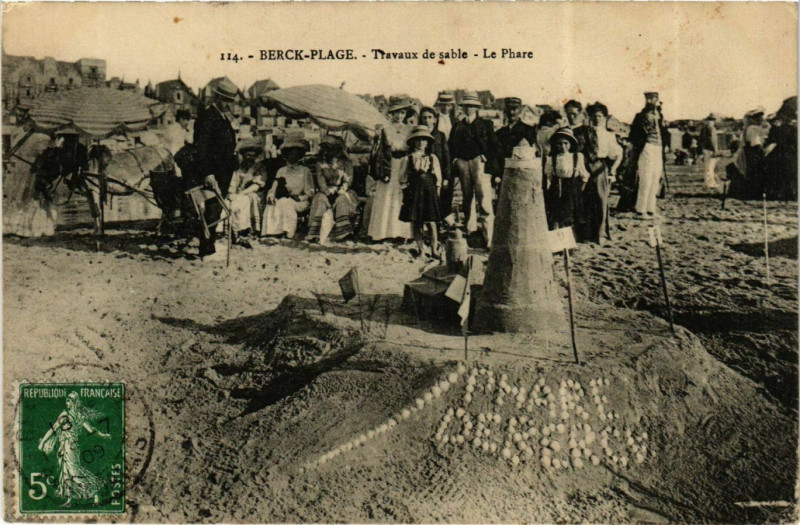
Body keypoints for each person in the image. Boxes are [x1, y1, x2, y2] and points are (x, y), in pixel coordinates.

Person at [448, 90, 503, 248]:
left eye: (471, 106)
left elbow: (495, 146)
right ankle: (471, 233)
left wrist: (485, 157)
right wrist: (456, 160)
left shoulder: (485, 125)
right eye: (466, 106)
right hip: (463, 164)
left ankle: (489, 238)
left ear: (476, 108)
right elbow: (451, 145)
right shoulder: (458, 126)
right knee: (467, 200)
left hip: (479, 164)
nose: (468, 109)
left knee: (484, 200)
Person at [192, 78, 238, 260]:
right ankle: (206, 249)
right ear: (217, 98)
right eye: (226, 100)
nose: (229, 104)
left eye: (231, 101)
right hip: (213, 173)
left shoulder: (222, 116)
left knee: (216, 210)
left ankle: (209, 246)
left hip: (224, 172)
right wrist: (207, 173)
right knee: (211, 211)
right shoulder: (208, 117)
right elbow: (201, 149)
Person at [37, 392, 111, 507]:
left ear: (74, 402)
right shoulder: (79, 415)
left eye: (69, 401)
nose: (67, 403)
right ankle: (69, 500)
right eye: (67, 400)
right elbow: (91, 430)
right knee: (66, 472)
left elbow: (54, 429)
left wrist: (42, 442)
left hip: (70, 447)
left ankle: (95, 493)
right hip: (69, 447)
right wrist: (103, 435)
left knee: (74, 472)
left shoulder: (67, 415)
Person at [368, 99, 413, 241]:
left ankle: (402, 233)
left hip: (404, 165)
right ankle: (383, 233)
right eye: (396, 113)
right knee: (386, 195)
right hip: (389, 165)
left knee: (401, 196)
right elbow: (379, 152)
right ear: (391, 114)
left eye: (402, 112)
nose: (399, 116)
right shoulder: (385, 129)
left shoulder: (409, 129)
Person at [399, 126, 443, 259]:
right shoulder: (408, 159)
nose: (420, 143)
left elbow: (438, 178)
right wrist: (406, 193)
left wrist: (437, 192)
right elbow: (402, 178)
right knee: (416, 221)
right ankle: (421, 250)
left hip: (429, 192)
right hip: (414, 192)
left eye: (424, 140)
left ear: (428, 142)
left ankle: (434, 249)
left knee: (431, 222)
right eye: (417, 140)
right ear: (413, 142)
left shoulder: (432, 158)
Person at [582, 102, 623, 244]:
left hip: (600, 166)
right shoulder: (584, 132)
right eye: (594, 116)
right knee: (586, 201)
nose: (597, 119)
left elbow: (617, 154)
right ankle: (586, 234)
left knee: (601, 200)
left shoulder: (608, 135)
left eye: (599, 116)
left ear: (604, 118)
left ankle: (600, 233)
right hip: (585, 166)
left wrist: (613, 170)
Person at [261, 133, 315, 239]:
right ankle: (272, 232)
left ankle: (288, 232)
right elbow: (274, 186)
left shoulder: (305, 170)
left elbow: (310, 192)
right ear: (286, 155)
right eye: (290, 154)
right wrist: (271, 195)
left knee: (285, 203)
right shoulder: (281, 170)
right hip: (285, 199)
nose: (293, 156)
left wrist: (299, 197)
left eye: (295, 154)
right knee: (274, 203)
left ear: (300, 155)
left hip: (301, 201)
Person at [307, 136, 359, 244]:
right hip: (327, 190)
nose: (329, 151)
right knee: (320, 199)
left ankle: (343, 232)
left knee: (341, 199)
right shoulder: (320, 164)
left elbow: (348, 180)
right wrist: (327, 191)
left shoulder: (346, 163)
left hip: (343, 190)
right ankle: (315, 233)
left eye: (332, 148)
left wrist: (342, 189)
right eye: (326, 148)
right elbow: (320, 180)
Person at [626, 91, 669, 218]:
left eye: (653, 99)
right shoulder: (641, 116)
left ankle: (651, 209)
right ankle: (641, 209)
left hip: (658, 148)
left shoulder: (659, 115)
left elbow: (663, 132)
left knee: (655, 179)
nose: (650, 101)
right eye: (648, 99)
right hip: (647, 147)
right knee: (646, 178)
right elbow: (635, 134)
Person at [544, 127, 590, 231]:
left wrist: (578, 190)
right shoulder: (552, 159)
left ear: (571, 144)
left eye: (566, 143)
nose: (563, 146)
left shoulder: (577, 157)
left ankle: (568, 242)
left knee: (569, 216)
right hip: (556, 189)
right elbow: (549, 177)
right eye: (559, 143)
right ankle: (556, 240)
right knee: (555, 215)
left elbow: (584, 176)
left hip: (572, 189)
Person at [226, 139, 266, 243]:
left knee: (244, 200)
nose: (251, 158)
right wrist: (231, 193)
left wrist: (241, 194)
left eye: (253, 156)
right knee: (229, 202)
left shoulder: (260, 168)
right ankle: (231, 231)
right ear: (243, 156)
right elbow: (233, 183)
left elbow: (256, 186)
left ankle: (244, 230)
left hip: (255, 194)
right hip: (239, 194)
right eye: (248, 155)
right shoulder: (238, 169)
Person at [496, 96, 538, 188]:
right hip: (504, 173)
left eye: (514, 109)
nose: (511, 112)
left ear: (520, 110)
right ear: (505, 111)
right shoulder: (499, 133)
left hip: (522, 173)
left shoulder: (528, 130)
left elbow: (534, 154)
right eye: (509, 109)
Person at [419, 106, 452, 218]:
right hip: (423, 173)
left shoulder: (440, 135)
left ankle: (439, 226)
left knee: (439, 200)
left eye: (429, 117)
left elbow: (446, 157)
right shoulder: (418, 135)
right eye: (424, 118)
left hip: (438, 173)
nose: (427, 120)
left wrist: (446, 177)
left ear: (435, 119)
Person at [699, 114, 720, 189]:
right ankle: (710, 183)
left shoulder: (703, 128)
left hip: (705, 148)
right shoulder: (712, 128)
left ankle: (709, 182)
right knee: (710, 167)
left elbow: (700, 139)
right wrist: (715, 149)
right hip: (710, 149)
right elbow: (713, 140)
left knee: (707, 166)